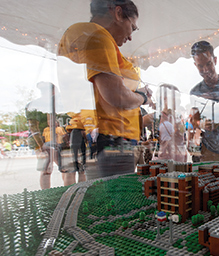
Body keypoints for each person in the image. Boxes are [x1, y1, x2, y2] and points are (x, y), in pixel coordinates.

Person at [58, 0, 154, 177]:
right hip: (114, 139)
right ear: (118, 13)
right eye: (132, 27)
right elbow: (117, 96)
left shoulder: (81, 35)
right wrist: (142, 97)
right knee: (116, 199)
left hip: (104, 137)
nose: (131, 36)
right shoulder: (99, 37)